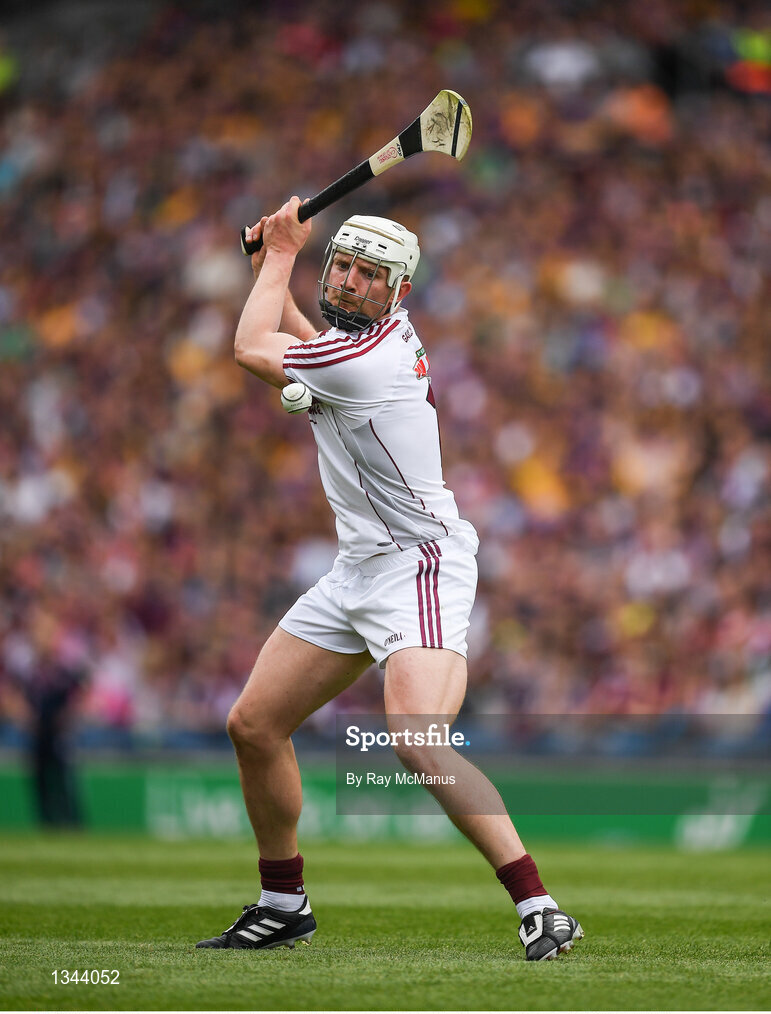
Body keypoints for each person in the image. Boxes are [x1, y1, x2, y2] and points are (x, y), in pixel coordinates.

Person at [196, 197, 584, 961]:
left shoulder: (363, 359)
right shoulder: (367, 343)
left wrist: (279, 257)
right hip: (357, 568)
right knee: (254, 725)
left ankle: (539, 905)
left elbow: (249, 348)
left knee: (415, 737)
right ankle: (283, 902)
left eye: (366, 276)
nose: (344, 282)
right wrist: (267, 264)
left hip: (420, 566)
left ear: (396, 291)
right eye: (337, 264)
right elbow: (302, 345)